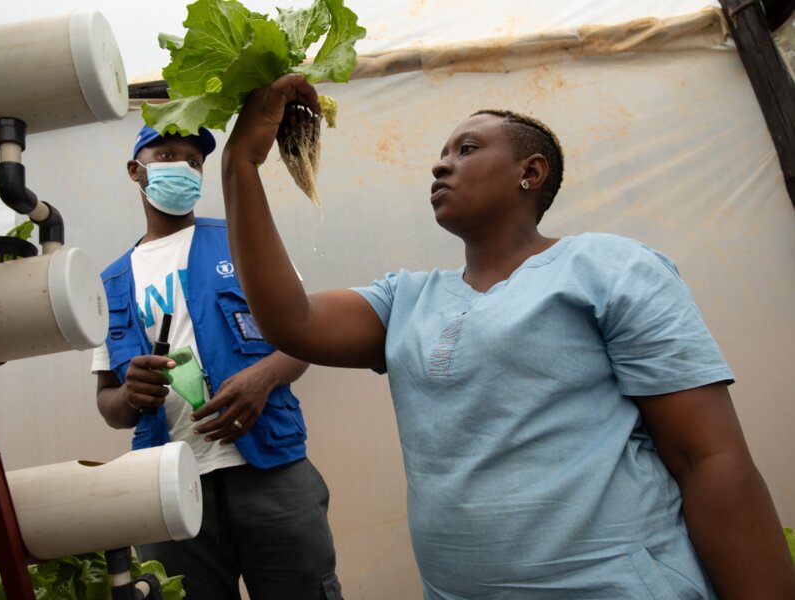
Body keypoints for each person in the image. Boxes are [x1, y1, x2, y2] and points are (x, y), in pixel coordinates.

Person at [218, 73, 795, 599]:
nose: (441, 166)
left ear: (532, 172)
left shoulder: (610, 267)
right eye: (440, 156)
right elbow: (288, 321)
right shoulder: (405, 300)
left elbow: (708, 458)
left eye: (466, 150)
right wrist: (240, 164)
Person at [91, 121, 342, 600]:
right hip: (168, 488)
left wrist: (262, 379)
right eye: (165, 156)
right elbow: (107, 403)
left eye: (193, 160)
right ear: (134, 170)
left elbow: (302, 336)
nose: (181, 168)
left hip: (270, 468)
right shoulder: (107, 284)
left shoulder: (244, 240)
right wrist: (127, 395)